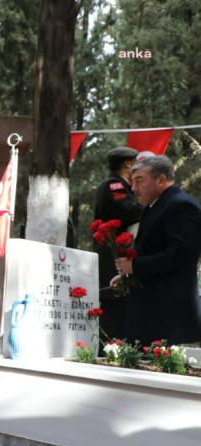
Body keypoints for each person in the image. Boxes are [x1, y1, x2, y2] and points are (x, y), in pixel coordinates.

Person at [115, 155, 201, 345]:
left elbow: (180, 255)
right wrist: (128, 275)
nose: (133, 188)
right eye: (132, 182)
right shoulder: (155, 206)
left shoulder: (181, 205)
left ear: (161, 180)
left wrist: (135, 266)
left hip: (169, 314)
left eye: (139, 181)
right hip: (150, 311)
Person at [93, 146, 143, 342]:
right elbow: (129, 210)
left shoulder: (119, 185)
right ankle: (107, 350)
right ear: (127, 163)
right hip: (111, 256)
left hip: (119, 255)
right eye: (136, 161)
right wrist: (148, 204)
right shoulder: (114, 186)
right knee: (113, 304)